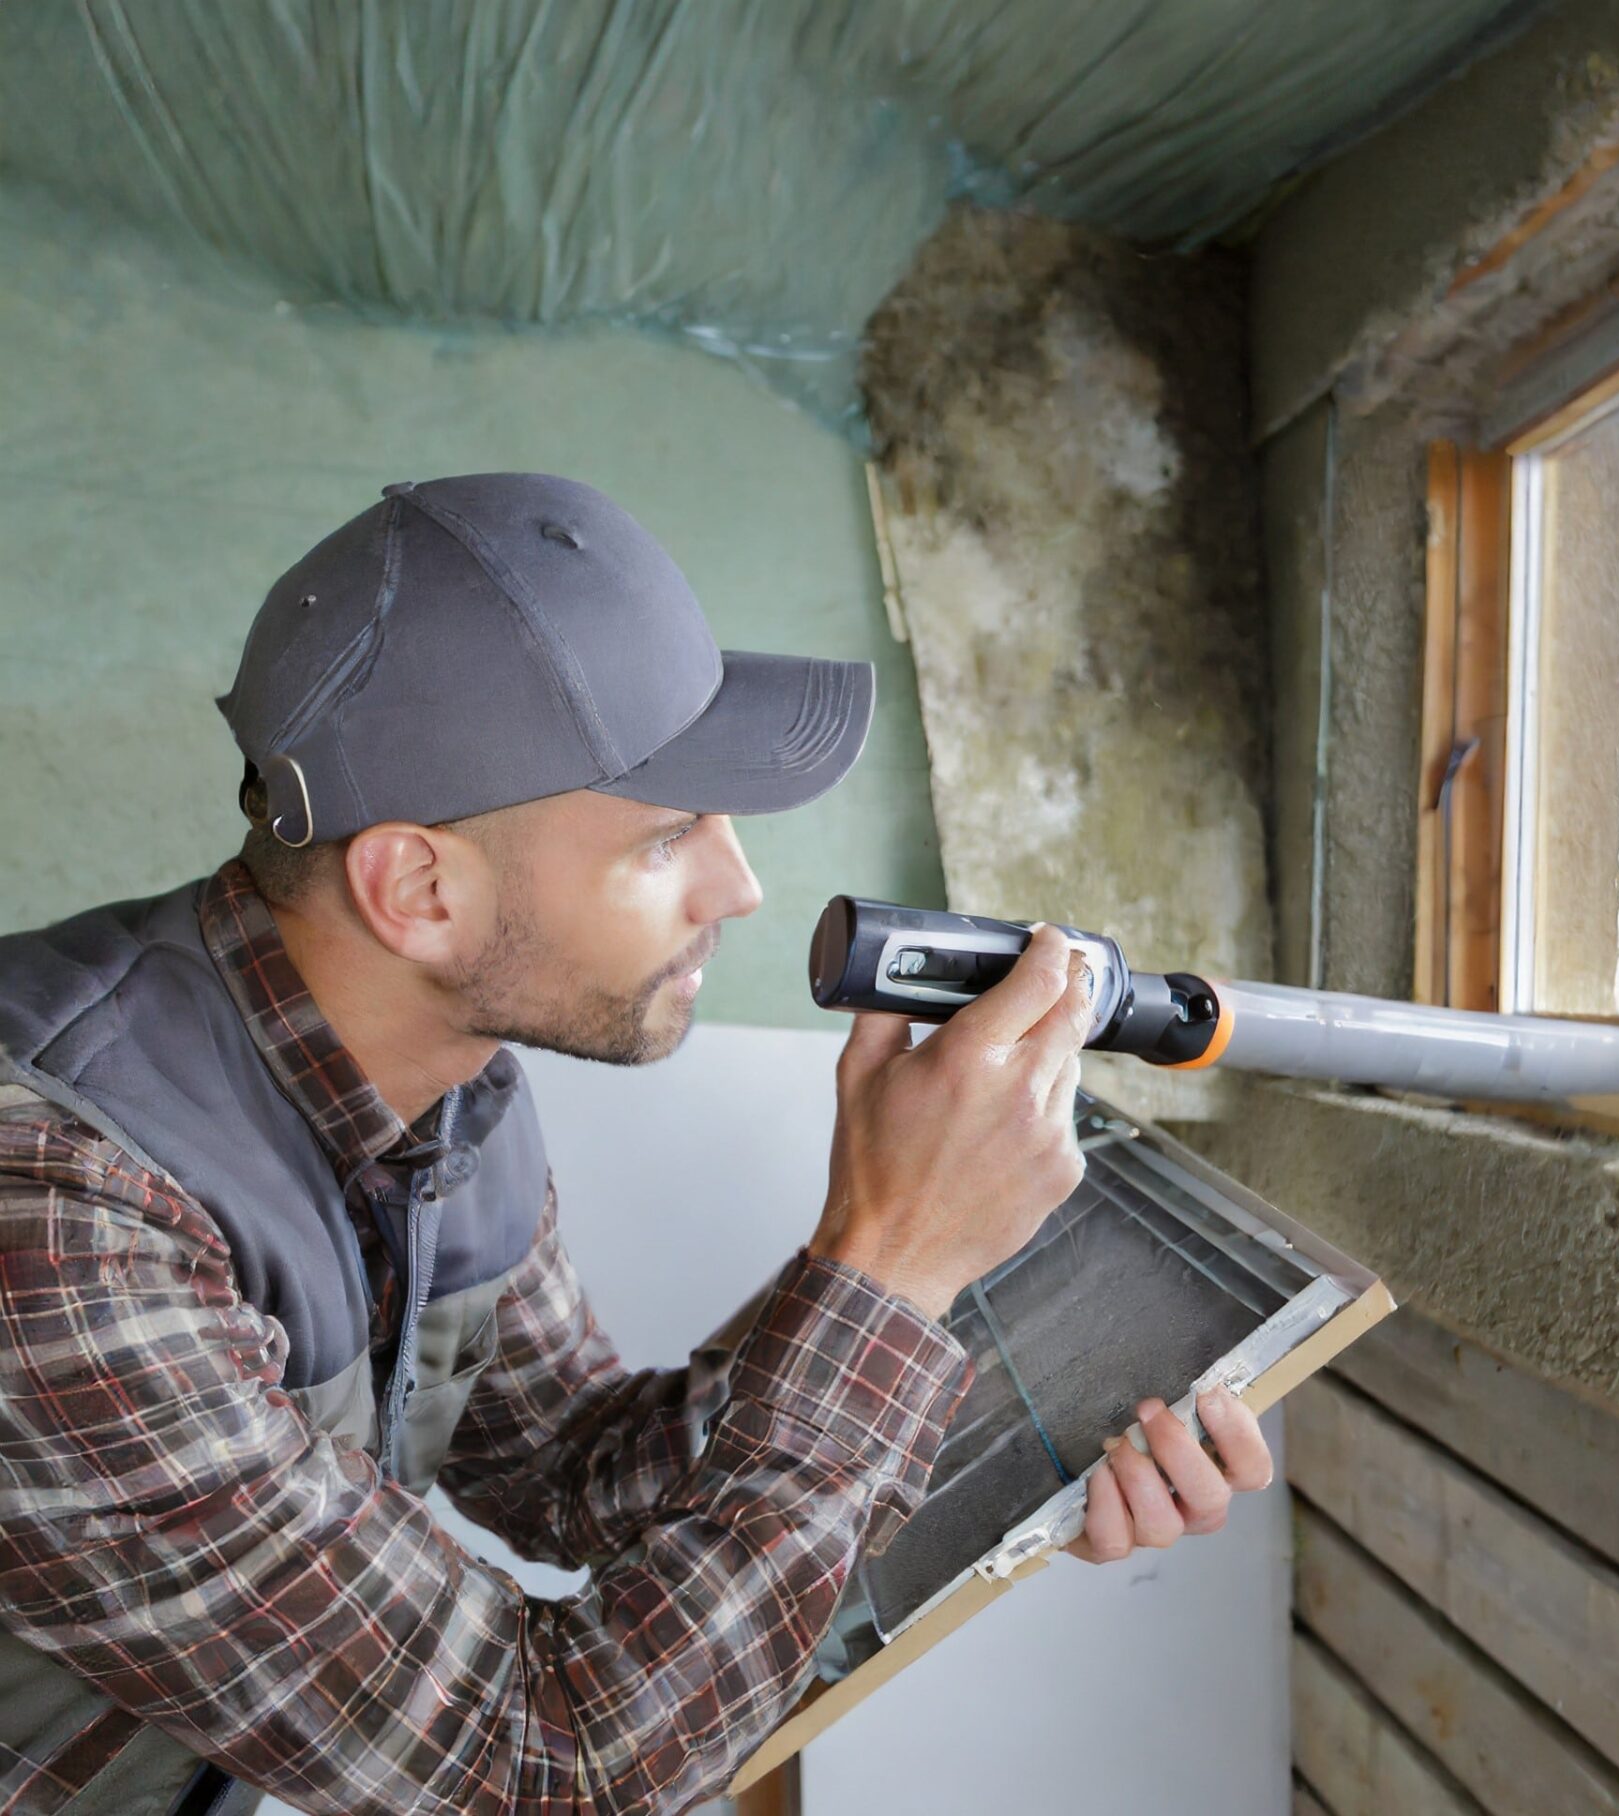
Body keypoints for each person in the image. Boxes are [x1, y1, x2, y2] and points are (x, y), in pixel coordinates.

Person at [0, 474, 1273, 1815]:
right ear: (420, 890)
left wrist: (1011, 1426)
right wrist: (889, 1271)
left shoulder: (451, 1080)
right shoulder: (59, 1208)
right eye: (671, 833)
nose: (741, 885)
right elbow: (546, 1767)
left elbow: (565, 1471)